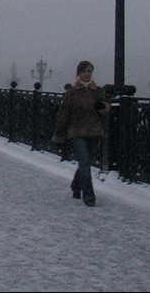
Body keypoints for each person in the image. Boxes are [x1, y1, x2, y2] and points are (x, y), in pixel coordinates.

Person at [52, 60, 111, 207]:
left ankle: (76, 185)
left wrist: (103, 107)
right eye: (84, 71)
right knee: (84, 162)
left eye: (89, 71)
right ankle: (89, 197)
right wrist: (58, 135)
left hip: (94, 131)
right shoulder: (71, 93)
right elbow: (63, 114)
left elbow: (107, 107)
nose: (87, 74)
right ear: (78, 74)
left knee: (86, 163)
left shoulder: (98, 91)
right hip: (76, 132)